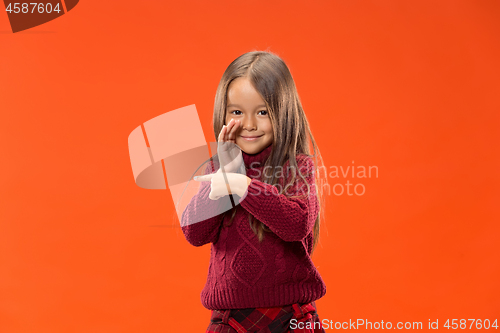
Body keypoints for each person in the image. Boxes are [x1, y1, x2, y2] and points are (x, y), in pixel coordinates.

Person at [180, 50, 327, 332]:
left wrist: (244, 186)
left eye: (262, 112)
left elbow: (297, 224)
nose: (248, 124)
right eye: (237, 112)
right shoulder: (218, 168)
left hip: (291, 314)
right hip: (230, 317)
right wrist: (226, 176)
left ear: (283, 112)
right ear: (222, 114)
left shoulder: (297, 167)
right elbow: (194, 233)